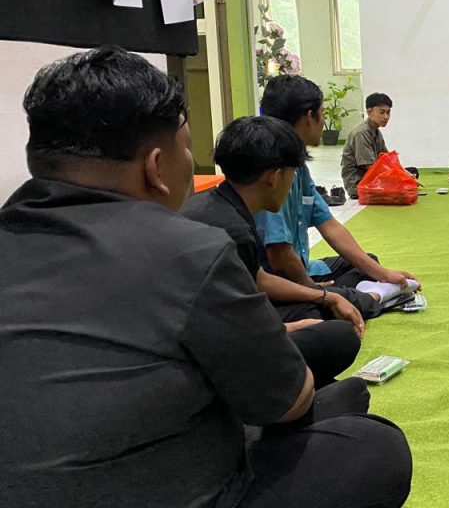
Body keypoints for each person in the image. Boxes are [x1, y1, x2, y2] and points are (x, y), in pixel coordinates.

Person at [0, 46, 411, 508]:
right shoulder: (189, 249)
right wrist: (318, 302)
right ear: (156, 167)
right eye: (187, 147)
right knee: (375, 445)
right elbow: (287, 401)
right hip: (172, 482)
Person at [180, 116, 366, 388]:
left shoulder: (214, 205)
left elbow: (257, 278)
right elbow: (232, 327)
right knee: (338, 340)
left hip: (211, 329)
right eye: (292, 175)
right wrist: (290, 327)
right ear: (275, 177)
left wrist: (325, 296)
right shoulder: (234, 229)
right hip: (210, 353)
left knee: (323, 310)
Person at [256, 76, 418, 316]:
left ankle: (355, 295)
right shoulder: (272, 172)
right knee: (329, 325)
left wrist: (382, 273)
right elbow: (279, 255)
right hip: (281, 284)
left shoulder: (299, 167)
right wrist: (315, 292)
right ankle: (370, 298)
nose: (324, 123)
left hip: (303, 268)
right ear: (309, 117)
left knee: (368, 262)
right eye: (322, 114)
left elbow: (330, 225)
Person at [342, 91, 411, 197]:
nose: (386, 117)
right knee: (401, 184)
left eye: (388, 112)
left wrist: (407, 174)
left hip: (370, 178)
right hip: (358, 184)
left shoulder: (376, 132)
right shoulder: (361, 133)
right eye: (382, 112)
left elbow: (389, 161)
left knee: (411, 172)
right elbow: (371, 168)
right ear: (370, 112)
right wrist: (400, 177)